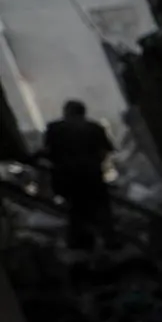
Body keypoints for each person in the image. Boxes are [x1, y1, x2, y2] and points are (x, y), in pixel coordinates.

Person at [39, 100, 114, 250]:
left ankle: (83, 244)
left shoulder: (55, 129)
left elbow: (48, 152)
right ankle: (109, 241)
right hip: (92, 178)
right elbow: (104, 151)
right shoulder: (95, 128)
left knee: (76, 212)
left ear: (66, 112)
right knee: (101, 211)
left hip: (68, 180)